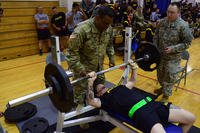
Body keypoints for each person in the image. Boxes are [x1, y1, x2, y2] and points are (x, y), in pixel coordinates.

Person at [86, 60, 196, 133]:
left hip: (154, 104)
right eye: (100, 89)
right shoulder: (105, 100)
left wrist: (134, 68)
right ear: (99, 94)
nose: (103, 87)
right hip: (141, 113)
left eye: (103, 86)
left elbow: (133, 80)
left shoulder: (120, 87)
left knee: (191, 118)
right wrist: (90, 83)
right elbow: (91, 101)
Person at [67, 5, 115, 106]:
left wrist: (111, 57)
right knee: (79, 98)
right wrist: (82, 70)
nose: (107, 26)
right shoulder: (81, 30)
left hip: (99, 69)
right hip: (83, 72)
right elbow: (71, 54)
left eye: (109, 24)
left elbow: (110, 45)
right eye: (105, 23)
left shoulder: (108, 28)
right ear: (97, 18)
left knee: (99, 93)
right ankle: (79, 118)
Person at [153, 2, 193, 102]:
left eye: (172, 12)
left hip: (173, 58)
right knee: (160, 75)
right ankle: (162, 88)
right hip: (160, 56)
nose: (169, 14)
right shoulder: (162, 22)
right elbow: (156, 36)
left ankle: (166, 96)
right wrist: (155, 48)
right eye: (168, 12)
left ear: (178, 13)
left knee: (170, 77)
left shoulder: (183, 26)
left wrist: (173, 48)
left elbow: (187, 43)